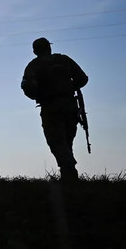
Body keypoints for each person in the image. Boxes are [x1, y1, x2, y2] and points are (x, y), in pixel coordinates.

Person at [21, 37, 88, 182]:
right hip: (70, 106)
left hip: (51, 108)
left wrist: (41, 93)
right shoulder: (64, 60)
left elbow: (29, 88)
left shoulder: (33, 66)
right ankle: (69, 175)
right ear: (49, 48)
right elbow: (83, 79)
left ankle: (69, 171)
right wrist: (68, 88)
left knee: (57, 141)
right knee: (67, 140)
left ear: (34, 51)